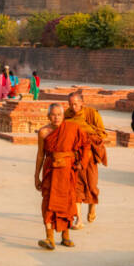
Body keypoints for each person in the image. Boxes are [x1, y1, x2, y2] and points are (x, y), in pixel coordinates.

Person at [34, 103, 89, 250]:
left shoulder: (72, 128)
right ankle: (49, 237)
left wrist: (81, 163)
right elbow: (40, 154)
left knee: (68, 202)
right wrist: (36, 176)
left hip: (68, 171)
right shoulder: (43, 132)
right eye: (53, 114)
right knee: (48, 203)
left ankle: (65, 236)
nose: (56, 117)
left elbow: (86, 145)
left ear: (63, 116)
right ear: (48, 116)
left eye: (59, 114)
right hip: (50, 170)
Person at [64, 91, 107, 226]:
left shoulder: (92, 114)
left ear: (82, 103)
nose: (73, 107)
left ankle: (92, 206)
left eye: (76, 104)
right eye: (70, 104)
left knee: (92, 185)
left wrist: (85, 133)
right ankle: (79, 220)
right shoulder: (67, 115)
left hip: (90, 155)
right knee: (76, 186)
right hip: (75, 155)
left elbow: (102, 134)